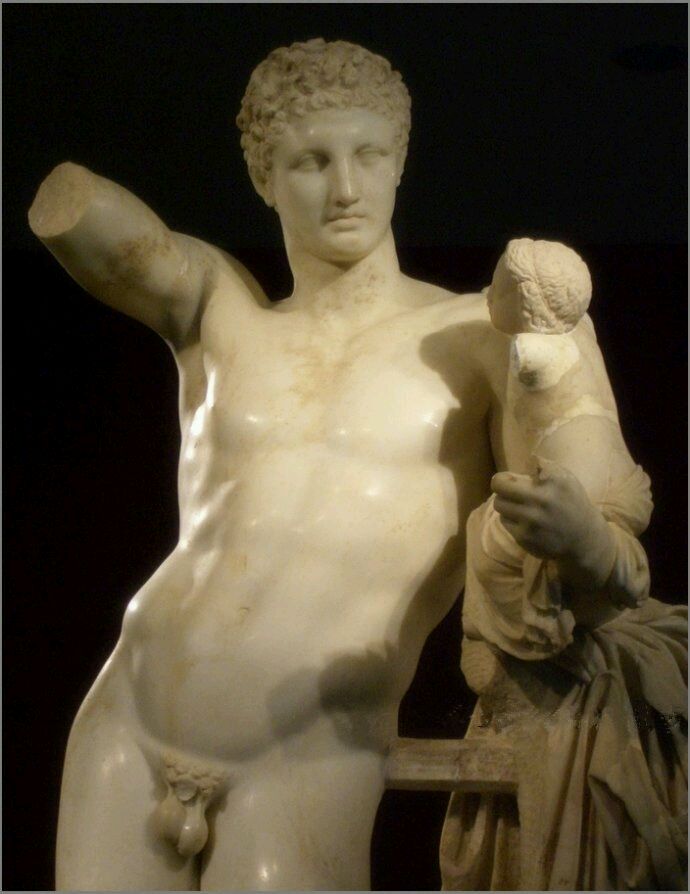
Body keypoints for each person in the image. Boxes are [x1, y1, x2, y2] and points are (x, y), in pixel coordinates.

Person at [28, 39, 672, 891]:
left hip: (310, 746)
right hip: (131, 714)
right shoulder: (222, 312)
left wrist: (582, 537)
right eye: (310, 161)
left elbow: (609, 553)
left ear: (400, 160)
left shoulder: (483, 334)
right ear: (264, 178)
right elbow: (82, 219)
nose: (345, 188)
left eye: (368, 154)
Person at [440, 238, 687, 890]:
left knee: (506, 537)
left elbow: (613, 579)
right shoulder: (571, 331)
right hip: (582, 542)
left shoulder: (534, 355)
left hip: (573, 545)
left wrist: (587, 543)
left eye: (501, 287)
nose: (489, 296)